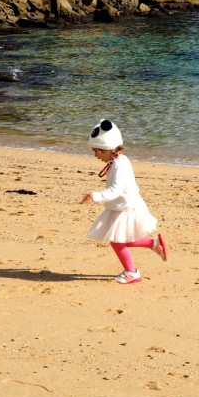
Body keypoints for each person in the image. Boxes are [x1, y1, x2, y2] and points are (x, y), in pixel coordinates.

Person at [81, 119, 168, 284]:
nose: (95, 155)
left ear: (108, 148)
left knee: (117, 242)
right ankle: (153, 243)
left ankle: (132, 272)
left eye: (97, 151)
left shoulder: (120, 164)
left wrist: (96, 196)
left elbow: (116, 190)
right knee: (123, 238)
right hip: (122, 206)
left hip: (127, 208)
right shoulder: (116, 161)